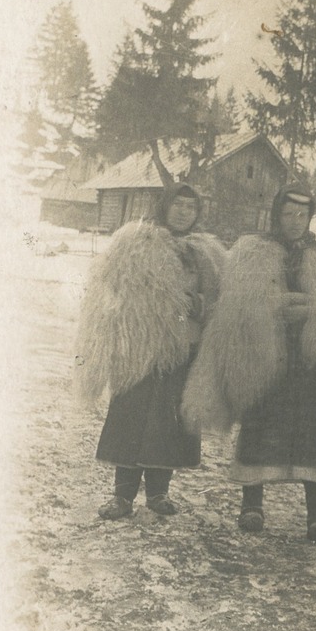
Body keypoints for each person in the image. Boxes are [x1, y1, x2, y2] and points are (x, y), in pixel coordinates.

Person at [183, 183, 316, 542]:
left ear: (311, 217)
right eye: (288, 214)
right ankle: (252, 505)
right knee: (260, 425)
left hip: (309, 363)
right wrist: (274, 307)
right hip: (263, 356)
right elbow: (235, 305)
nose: (295, 221)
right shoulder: (251, 252)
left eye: (302, 215)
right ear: (276, 214)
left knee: (313, 433)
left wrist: (313, 311)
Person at [75, 180, 226, 519]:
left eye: (191, 207)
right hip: (140, 349)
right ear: (165, 206)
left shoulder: (205, 254)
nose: (184, 213)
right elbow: (116, 288)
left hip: (182, 348)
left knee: (169, 423)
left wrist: (195, 304)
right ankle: (122, 498)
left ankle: (158, 494)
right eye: (178, 205)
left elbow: (217, 300)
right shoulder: (137, 243)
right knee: (132, 420)